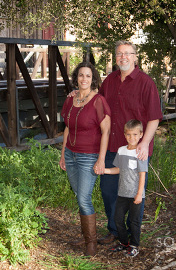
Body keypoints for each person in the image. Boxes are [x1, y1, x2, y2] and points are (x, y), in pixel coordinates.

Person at [98, 41, 163, 244]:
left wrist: (144, 143)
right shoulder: (109, 81)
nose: (123, 57)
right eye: (119, 54)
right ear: (115, 57)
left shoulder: (146, 83)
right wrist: (78, 96)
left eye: (127, 53)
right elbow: (96, 104)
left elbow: (154, 117)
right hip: (112, 146)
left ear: (135, 57)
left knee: (134, 193)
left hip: (136, 149)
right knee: (108, 190)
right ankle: (116, 230)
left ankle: (133, 237)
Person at [59, 61, 111, 256]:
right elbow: (66, 127)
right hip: (71, 154)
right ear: (76, 78)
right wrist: (63, 153)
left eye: (88, 76)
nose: (84, 79)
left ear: (93, 79)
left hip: (89, 156)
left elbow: (106, 131)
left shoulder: (98, 101)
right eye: (81, 75)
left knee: (83, 198)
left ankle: (91, 243)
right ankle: (86, 235)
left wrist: (101, 159)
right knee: (79, 195)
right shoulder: (70, 99)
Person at [105, 119, 148, 257]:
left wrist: (139, 194)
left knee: (134, 221)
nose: (132, 138)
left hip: (135, 194)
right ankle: (124, 243)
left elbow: (142, 174)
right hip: (122, 193)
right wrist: (104, 170)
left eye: (135, 135)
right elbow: (118, 169)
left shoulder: (141, 152)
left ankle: (135, 245)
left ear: (141, 134)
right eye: (129, 135)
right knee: (118, 218)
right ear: (125, 135)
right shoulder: (121, 150)